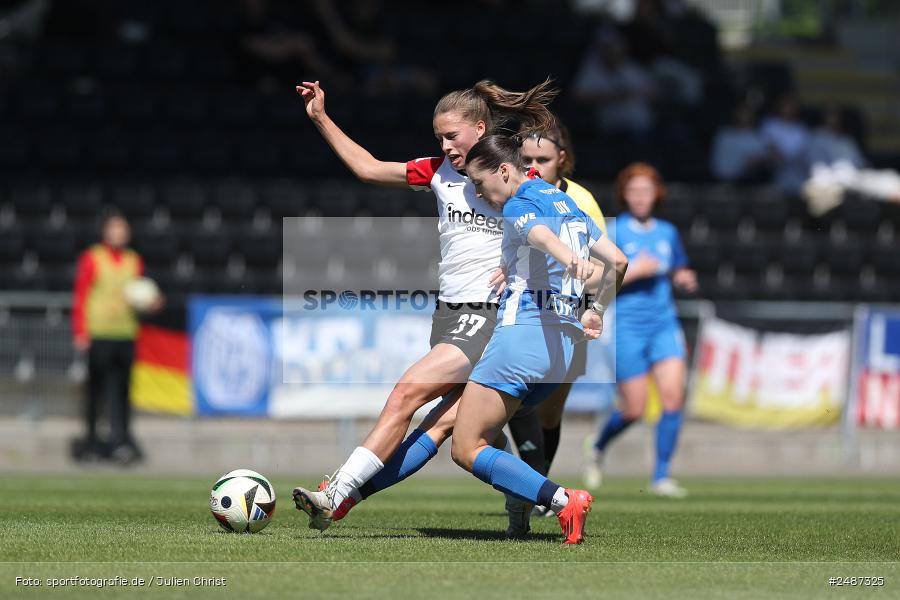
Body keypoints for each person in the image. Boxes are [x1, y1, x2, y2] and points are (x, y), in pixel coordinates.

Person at [298, 135, 628, 543]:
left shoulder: (518, 203)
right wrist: (596, 310)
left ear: (503, 170)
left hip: (519, 341)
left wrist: (569, 259)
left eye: (480, 183)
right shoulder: (565, 202)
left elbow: (539, 235)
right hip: (560, 351)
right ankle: (346, 500)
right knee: (446, 424)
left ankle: (563, 500)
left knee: (466, 448)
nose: (479, 193)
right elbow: (619, 261)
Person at [290, 78, 558, 532]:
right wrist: (320, 118)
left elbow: (557, 238)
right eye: (439, 138)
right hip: (450, 315)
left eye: (451, 135)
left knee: (407, 392)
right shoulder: (437, 171)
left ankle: (336, 492)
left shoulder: (517, 179)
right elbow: (369, 169)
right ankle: (525, 497)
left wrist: (522, 267)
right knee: (463, 429)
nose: (445, 146)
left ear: (479, 128)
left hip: (489, 314)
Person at [507, 118, 608, 514]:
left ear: (561, 159)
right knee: (513, 401)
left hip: (569, 316)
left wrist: (592, 309)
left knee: (549, 410)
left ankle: (541, 492)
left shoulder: (581, 200)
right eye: (527, 159)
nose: (534, 167)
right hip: (522, 313)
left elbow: (605, 266)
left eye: (543, 160)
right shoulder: (513, 192)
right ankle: (537, 489)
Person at [584, 163, 697, 497]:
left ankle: (661, 476)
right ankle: (598, 445)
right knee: (635, 409)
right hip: (627, 327)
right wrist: (636, 271)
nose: (640, 197)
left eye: (646, 191)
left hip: (664, 325)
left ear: (656, 194)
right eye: (634, 191)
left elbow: (677, 267)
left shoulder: (668, 232)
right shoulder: (614, 232)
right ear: (625, 195)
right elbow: (596, 281)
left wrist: (683, 277)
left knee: (673, 399)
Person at [70, 211, 162, 465]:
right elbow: (81, 295)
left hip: (125, 334)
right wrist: (80, 331)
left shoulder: (134, 260)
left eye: (123, 229)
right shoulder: (92, 258)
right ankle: (91, 442)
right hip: (99, 334)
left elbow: (141, 294)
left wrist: (152, 303)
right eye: (114, 228)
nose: (119, 233)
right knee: (95, 392)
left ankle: (120, 442)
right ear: (105, 232)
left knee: (122, 392)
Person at [710, 103, 771, 183]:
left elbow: (768, 159)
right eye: (741, 113)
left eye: (747, 114)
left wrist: (759, 162)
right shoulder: (724, 134)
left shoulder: (757, 136)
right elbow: (718, 163)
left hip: (749, 181)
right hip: (721, 180)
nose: (744, 117)